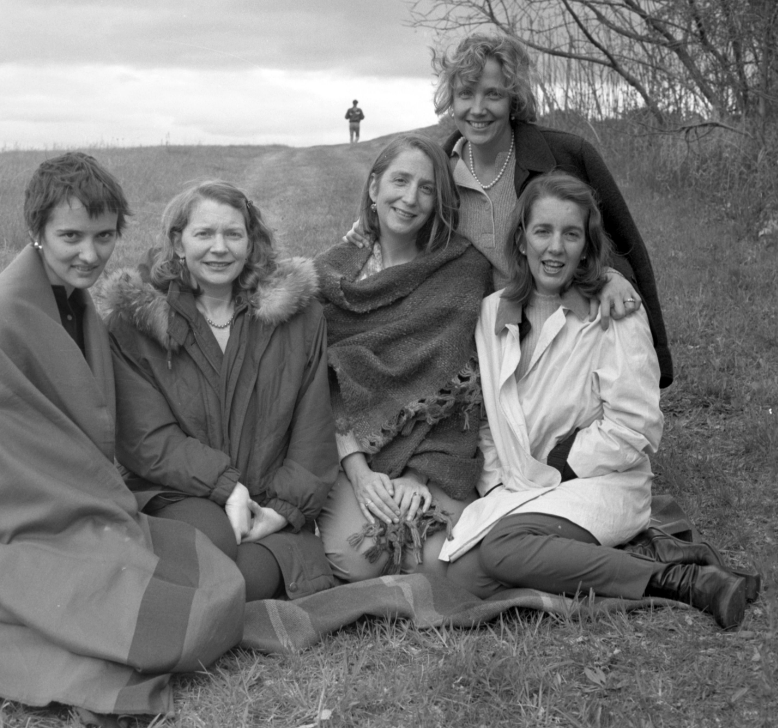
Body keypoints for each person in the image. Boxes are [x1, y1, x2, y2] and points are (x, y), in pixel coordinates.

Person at [0, 153, 245, 727]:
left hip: (64, 502)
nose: (90, 253)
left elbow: (108, 428)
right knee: (176, 624)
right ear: (37, 233)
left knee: (208, 583)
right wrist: (89, 499)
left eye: (104, 237)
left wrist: (219, 483)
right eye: (71, 236)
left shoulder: (77, 304)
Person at [430, 172, 750, 629]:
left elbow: (634, 426)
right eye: (543, 231)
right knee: (463, 573)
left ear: (585, 245)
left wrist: (561, 464)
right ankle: (604, 555)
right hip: (521, 489)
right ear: (521, 240)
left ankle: (682, 581)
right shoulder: (491, 313)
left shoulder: (612, 312)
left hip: (600, 481)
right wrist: (498, 481)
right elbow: (486, 418)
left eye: (571, 234)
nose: (555, 247)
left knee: (502, 551)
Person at [347, 31, 673, 387]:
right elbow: (406, 232)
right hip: (478, 350)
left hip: (563, 340)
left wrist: (614, 275)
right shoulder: (438, 173)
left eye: (493, 94)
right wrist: (369, 225)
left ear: (513, 98)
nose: (478, 109)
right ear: (450, 100)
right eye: (465, 94)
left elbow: (620, 240)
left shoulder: (568, 156)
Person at [97, 181, 339, 602]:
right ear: (178, 242)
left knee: (247, 578)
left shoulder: (299, 318)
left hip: (267, 501)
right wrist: (227, 487)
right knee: (212, 550)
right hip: (180, 493)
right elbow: (145, 439)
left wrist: (283, 511)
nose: (219, 248)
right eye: (204, 234)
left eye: (233, 234)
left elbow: (314, 425)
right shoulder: (134, 324)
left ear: (251, 241)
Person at [316, 134, 491, 580]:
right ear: (374, 188)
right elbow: (318, 388)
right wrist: (359, 473)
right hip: (352, 451)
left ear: (438, 202)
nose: (410, 198)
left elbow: (465, 389)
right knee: (360, 561)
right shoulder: (327, 277)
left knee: (436, 562)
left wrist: (419, 476)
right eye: (399, 180)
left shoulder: (461, 271)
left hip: (432, 452)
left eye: (427, 188)